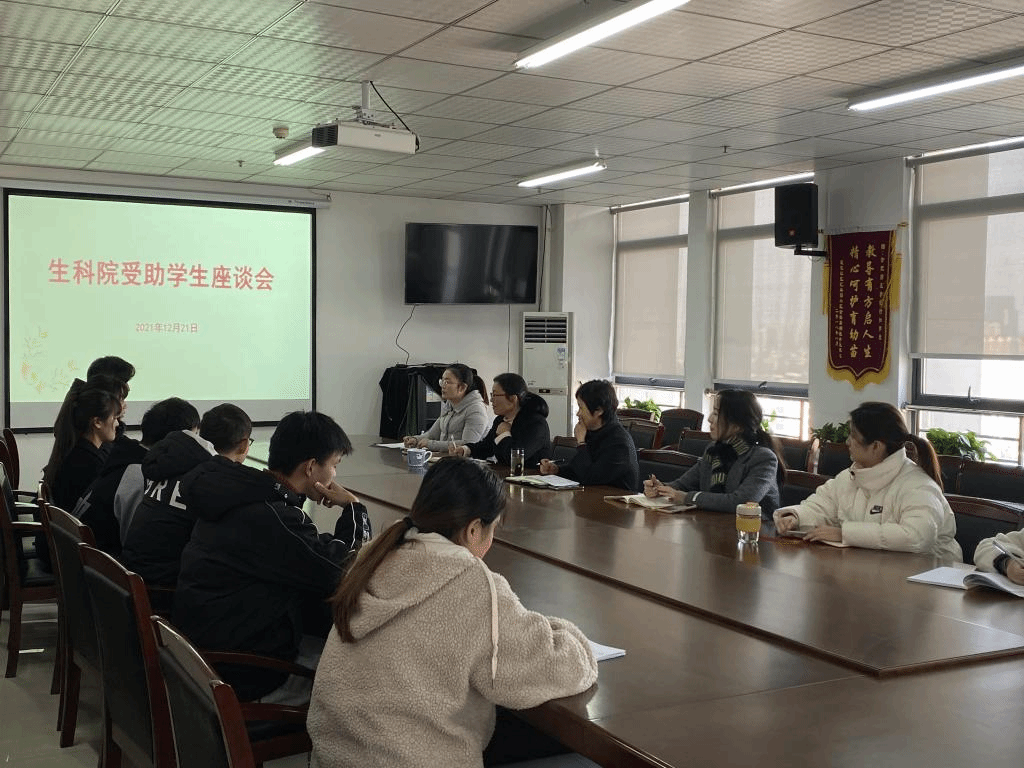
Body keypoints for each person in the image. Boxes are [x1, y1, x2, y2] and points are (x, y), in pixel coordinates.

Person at [308, 457, 598, 768]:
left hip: (334, 757)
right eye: (493, 529)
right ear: (474, 529)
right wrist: (564, 633)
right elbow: (558, 668)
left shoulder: (375, 556)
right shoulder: (469, 582)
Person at [173, 410, 372, 703]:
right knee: (360, 673)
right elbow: (345, 567)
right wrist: (354, 507)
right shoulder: (271, 515)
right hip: (244, 677)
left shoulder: (242, 495)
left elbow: (308, 551)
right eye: (334, 465)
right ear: (311, 467)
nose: (334, 476)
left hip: (203, 659)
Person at [774, 402, 962, 560]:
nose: (847, 442)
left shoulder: (918, 485)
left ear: (876, 446)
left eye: (853, 436)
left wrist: (844, 533)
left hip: (928, 579)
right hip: (871, 569)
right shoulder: (850, 476)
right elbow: (822, 506)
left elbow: (916, 536)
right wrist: (796, 517)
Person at [121, 403, 246, 586]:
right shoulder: (215, 482)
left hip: (132, 577)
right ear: (244, 445)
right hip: (163, 589)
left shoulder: (169, 464)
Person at [73, 397, 199, 556]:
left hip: (92, 557)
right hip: (106, 563)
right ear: (177, 440)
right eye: (194, 437)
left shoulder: (125, 457)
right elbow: (136, 542)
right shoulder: (139, 475)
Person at [643, 389, 783, 517]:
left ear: (737, 425)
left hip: (754, 532)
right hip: (714, 526)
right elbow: (683, 484)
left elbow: (741, 502)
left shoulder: (763, 459)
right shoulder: (714, 450)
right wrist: (660, 488)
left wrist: (687, 497)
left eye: (716, 413)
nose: (709, 418)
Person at [538, 379, 639, 491]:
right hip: (592, 497)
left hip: (615, 500)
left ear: (599, 410)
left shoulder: (619, 442)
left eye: (581, 408)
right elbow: (578, 470)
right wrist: (557, 470)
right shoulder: (593, 432)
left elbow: (589, 477)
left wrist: (581, 443)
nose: (578, 413)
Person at [43, 380, 122, 512]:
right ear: (97, 422)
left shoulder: (77, 450)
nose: (117, 424)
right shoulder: (89, 463)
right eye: (114, 418)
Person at [458, 373, 551, 466]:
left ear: (513, 398)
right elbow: (486, 447)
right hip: (504, 473)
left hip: (530, 474)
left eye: (495, 395)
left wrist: (504, 434)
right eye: (492, 395)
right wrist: (465, 450)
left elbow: (515, 459)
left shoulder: (536, 423)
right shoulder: (500, 419)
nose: (491, 400)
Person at [403, 363, 490, 451]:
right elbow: (432, 434)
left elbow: (468, 444)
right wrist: (415, 439)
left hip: (468, 460)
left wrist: (430, 444)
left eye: (447, 382)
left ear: (462, 387)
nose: (442, 386)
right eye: (442, 381)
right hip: (447, 457)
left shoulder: (476, 410)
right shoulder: (449, 405)